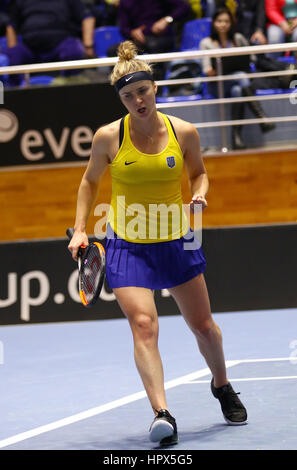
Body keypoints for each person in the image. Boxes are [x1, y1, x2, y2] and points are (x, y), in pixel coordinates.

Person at [67, 39, 248, 446]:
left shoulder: (183, 131)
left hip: (177, 241)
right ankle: (161, 413)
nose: (137, 101)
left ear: (154, 88)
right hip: (127, 246)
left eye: (142, 91)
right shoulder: (108, 138)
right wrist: (80, 228)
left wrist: (199, 192)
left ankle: (221, 384)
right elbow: (89, 182)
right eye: (128, 96)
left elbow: (200, 173)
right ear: (122, 100)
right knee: (144, 325)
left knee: (205, 328)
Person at [200, 7, 275, 150]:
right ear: (214, 23)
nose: (223, 24)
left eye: (226, 21)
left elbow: (251, 58)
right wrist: (220, 68)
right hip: (218, 84)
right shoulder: (206, 42)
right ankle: (261, 117)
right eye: (219, 21)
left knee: (237, 90)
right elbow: (207, 70)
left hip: (237, 82)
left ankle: (236, 138)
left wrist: (239, 62)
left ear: (231, 23)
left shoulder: (238, 38)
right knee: (241, 77)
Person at [5, 0, 96, 86]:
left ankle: (68, 89)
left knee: (74, 50)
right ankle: (18, 92)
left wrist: (88, 46)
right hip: (31, 48)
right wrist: (12, 47)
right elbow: (11, 26)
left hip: (60, 43)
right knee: (12, 55)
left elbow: (87, 18)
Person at [108, 0, 191, 79]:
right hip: (137, 41)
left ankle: (157, 86)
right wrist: (132, 32)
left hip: (161, 37)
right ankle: (124, 85)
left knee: (153, 45)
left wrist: (166, 20)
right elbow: (124, 28)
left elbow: (184, 7)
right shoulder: (125, 2)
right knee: (115, 50)